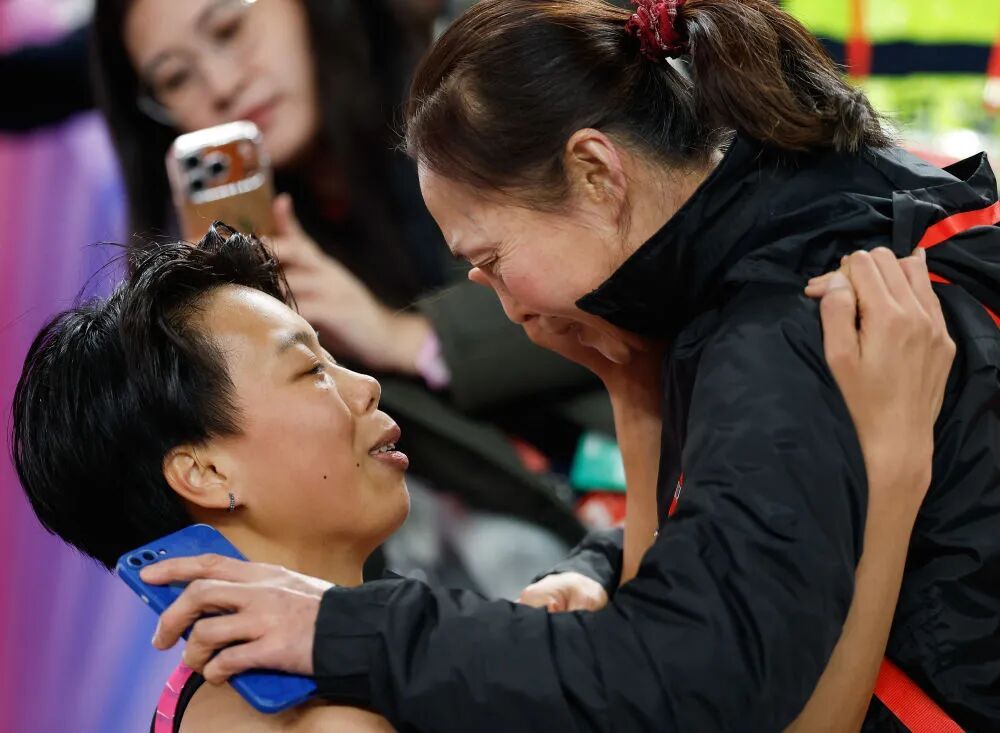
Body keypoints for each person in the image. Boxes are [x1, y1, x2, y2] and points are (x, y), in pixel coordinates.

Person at [140, 0, 998, 730]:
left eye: (490, 256)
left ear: (595, 171)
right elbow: (754, 533)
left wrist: (343, 629)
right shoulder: (811, 221)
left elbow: (697, 674)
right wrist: (601, 562)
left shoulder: (785, 316)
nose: (491, 295)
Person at [11, 225, 938, 731]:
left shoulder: (249, 694)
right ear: (205, 470)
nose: (365, 383)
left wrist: (633, 410)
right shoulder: (325, 722)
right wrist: (893, 470)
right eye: (309, 370)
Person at [92, 0, 603, 594]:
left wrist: (402, 337)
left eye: (229, 29)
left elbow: (612, 270)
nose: (223, 85)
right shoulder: (251, 291)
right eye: (176, 78)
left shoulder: (471, 81)